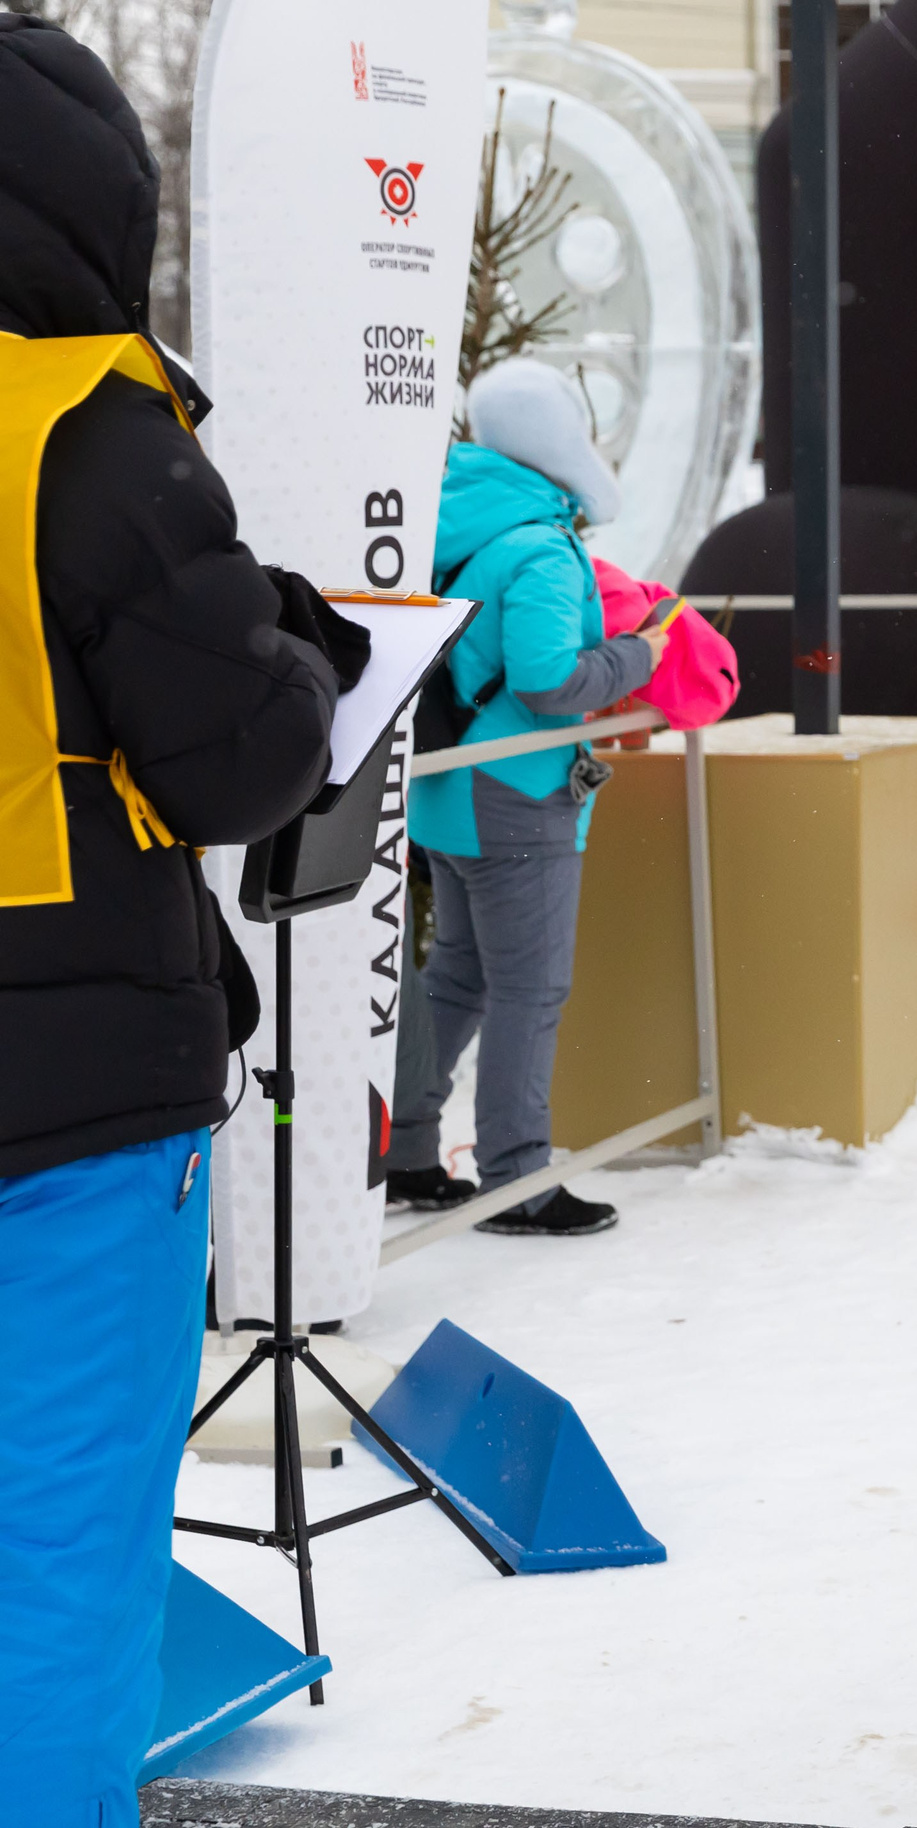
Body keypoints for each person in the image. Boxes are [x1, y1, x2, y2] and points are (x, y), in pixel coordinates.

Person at [0, 17, 351, 1822]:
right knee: (59, 1556)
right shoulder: (92, 438)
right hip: (72, 1104)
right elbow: (235, 762)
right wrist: (299, 647)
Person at [387, 359, 668, 1233]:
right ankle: (517, 1182)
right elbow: (549, 683)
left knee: (460, 976)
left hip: (448, 792)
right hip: (516, 793)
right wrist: (640, 655)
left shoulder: (454, 521)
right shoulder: (540, 545)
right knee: (528, 989)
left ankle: (405, 1152)